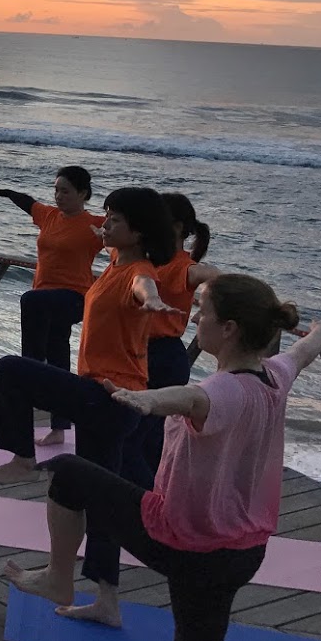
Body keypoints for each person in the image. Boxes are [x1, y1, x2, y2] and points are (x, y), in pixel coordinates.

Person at [4, 276, 321, 641]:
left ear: (228, 329)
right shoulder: (275, 375)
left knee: (68, 473)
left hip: (184, 542)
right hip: (243, 550)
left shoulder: (223, 391)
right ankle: (78, 589)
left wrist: (144, 398)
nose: (196, 318)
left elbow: (190, 398)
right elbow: (300, 354)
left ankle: (58, 577)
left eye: (203, 312)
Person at [0, 186, 180, 622]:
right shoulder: (115, 261)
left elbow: (143, 286)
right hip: (113, 403)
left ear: (138, 232)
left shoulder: (137, 271)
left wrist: (153, 300)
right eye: (105, 215)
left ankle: (22, 458)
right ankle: (106, 601)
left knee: (11, 369)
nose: (104, 224)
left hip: (110, 399)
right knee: (97, 499)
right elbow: (105, 249)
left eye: (114, 220)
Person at [0, 167, 104, 446]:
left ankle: (30, 363)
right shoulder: (49, 216)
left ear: (83, 194)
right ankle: (59, 428)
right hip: (45, 302)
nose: (58, 196)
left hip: (74, 297)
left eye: (65, 191)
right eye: (56, 190)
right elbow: (28, 203)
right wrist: (6, 192)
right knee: (58, 358)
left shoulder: (94, 225)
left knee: (31, 302)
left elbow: (130, 231)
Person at [124, 192, 218, 486]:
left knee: (133, 440)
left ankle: (148, 503)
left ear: (176, 228)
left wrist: (211, 306)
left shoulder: (182, 267)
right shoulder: (147, 260)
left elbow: (214, 275)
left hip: (163, 357)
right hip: (141, 353)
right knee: (148, 441)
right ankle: (153, 500)